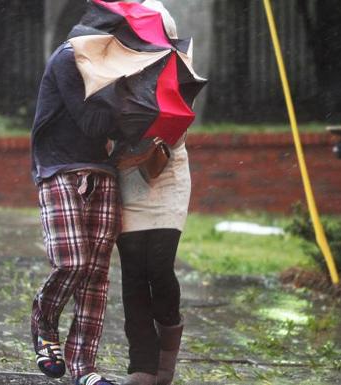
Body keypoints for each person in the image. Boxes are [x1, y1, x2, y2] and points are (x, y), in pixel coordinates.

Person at [29, 18, 122, 385]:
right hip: (59, 167)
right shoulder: (70, 58)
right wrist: (127, 103)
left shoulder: (124, 65)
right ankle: (44, 322)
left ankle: (85, 367)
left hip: (104, 170)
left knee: (96, 273)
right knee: (73, 261)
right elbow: (94, 123)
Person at [115, 1, 190, 385]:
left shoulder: (176, 67)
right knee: (133, 274)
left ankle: (169, 342)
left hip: (167, 175)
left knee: (158, 267)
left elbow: (180, 121)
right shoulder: (110, 68)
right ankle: (141, 365)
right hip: (126, 178)